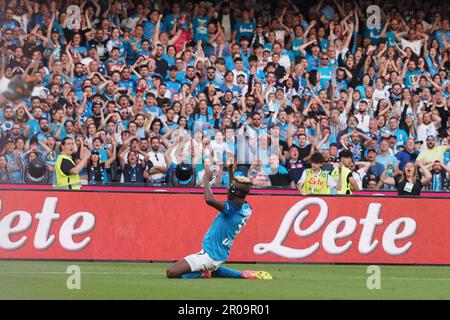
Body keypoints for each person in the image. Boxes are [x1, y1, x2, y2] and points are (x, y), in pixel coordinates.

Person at [166, 164, 272, 280]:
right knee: (210, 266)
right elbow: (236, 191)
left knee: (171, 272)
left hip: (210, 255)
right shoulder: (246, 207)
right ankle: (238, 274)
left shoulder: (231, 209)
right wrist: (231, 170)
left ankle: (204, 273)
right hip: (220, 254)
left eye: (230, 188)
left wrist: (206, 180)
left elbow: (209, 200)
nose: (227, 189)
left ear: (235, 193)